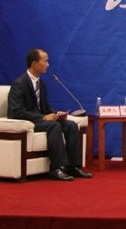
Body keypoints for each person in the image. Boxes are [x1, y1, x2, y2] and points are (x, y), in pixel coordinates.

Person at [8, 48, 92, 181]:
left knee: (70, 125)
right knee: (54, 126)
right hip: (29, 121)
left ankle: (73, 166)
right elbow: (16, 111)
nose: (48, 64)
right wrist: (42, 117)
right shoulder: (19, 84)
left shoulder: (41, 83)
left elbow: (45, 107)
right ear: (34, 63)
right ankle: (56, 168)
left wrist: (56, 114)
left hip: (41, 120)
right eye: (45, 61)